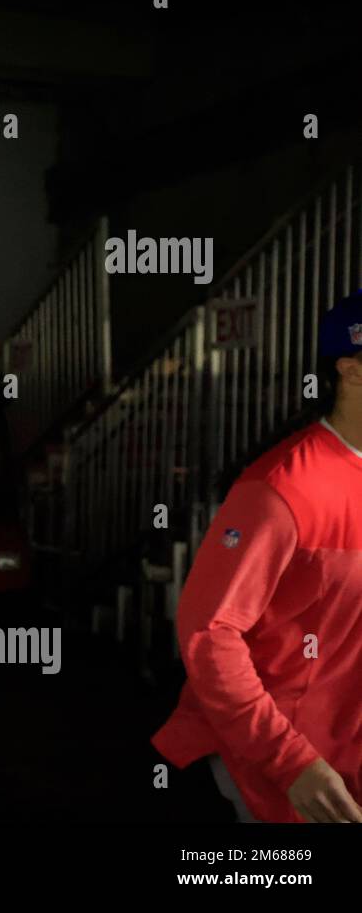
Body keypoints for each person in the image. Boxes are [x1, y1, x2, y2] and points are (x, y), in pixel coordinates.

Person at [152, 290, 362, 823]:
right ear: (351, 371)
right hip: (290, 769)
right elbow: (209, 633)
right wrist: (291, 763)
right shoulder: (281, 489)